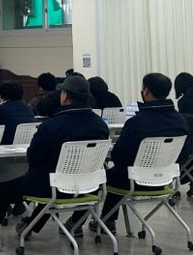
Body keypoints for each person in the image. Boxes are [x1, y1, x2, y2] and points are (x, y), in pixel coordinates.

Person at [0, 76, 109, 244]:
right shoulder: (101, 125)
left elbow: (33, 157)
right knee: (50, 187)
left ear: (64, 96)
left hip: (50, 186)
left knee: (1, 190)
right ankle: (29, 226)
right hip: (87, 186)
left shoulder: (52, 125)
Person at [74, 73, 191, 235]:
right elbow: (184, 152)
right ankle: (107, 220)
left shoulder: (136, 122)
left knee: (99, 176)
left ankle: (76, 223)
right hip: (166, 180)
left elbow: (119, 156)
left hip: (134, 180)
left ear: (146, 91)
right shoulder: (180, 121)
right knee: (118, 174)